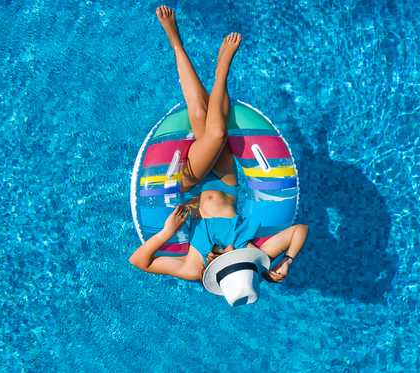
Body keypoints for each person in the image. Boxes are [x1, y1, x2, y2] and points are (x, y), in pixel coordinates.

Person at [128, 6, 308, 283]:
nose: (233, 250)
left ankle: (192, 51)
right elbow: (299, 230)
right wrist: (288, 261)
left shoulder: (193, 268)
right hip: (226, 183)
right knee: (203, 118)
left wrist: (166, 232)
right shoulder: (259, 253)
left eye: (229, 257)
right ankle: (213, 66)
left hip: (186, 184)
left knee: (209, 128)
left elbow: (138, 260)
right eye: (239, 255)